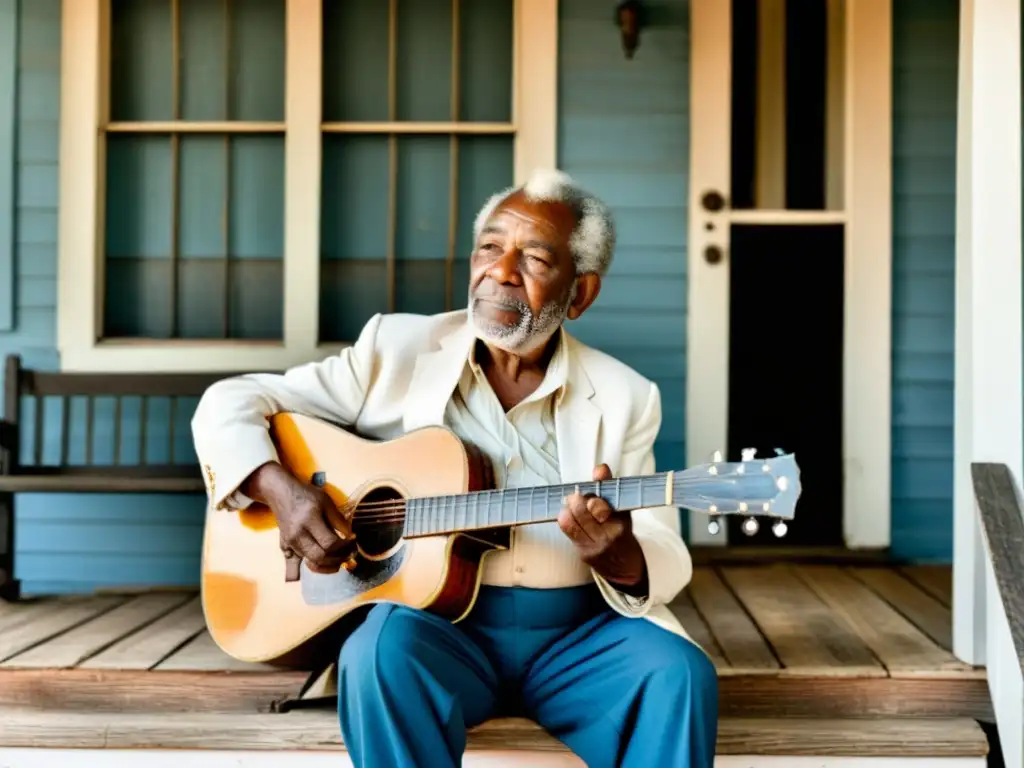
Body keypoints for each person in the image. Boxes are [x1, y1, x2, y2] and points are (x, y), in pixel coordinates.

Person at [191, 169, 718, 767]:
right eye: (490, 247)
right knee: (378, 650)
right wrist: (280, 491)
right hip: (442, 633)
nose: (501, 270)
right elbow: (229, 402)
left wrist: (621, 557)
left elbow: (661, 546)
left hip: (579, 638)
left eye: (536, 259)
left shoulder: (627, 395)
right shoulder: (395, 349)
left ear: (581, 294)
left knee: (678, 673)